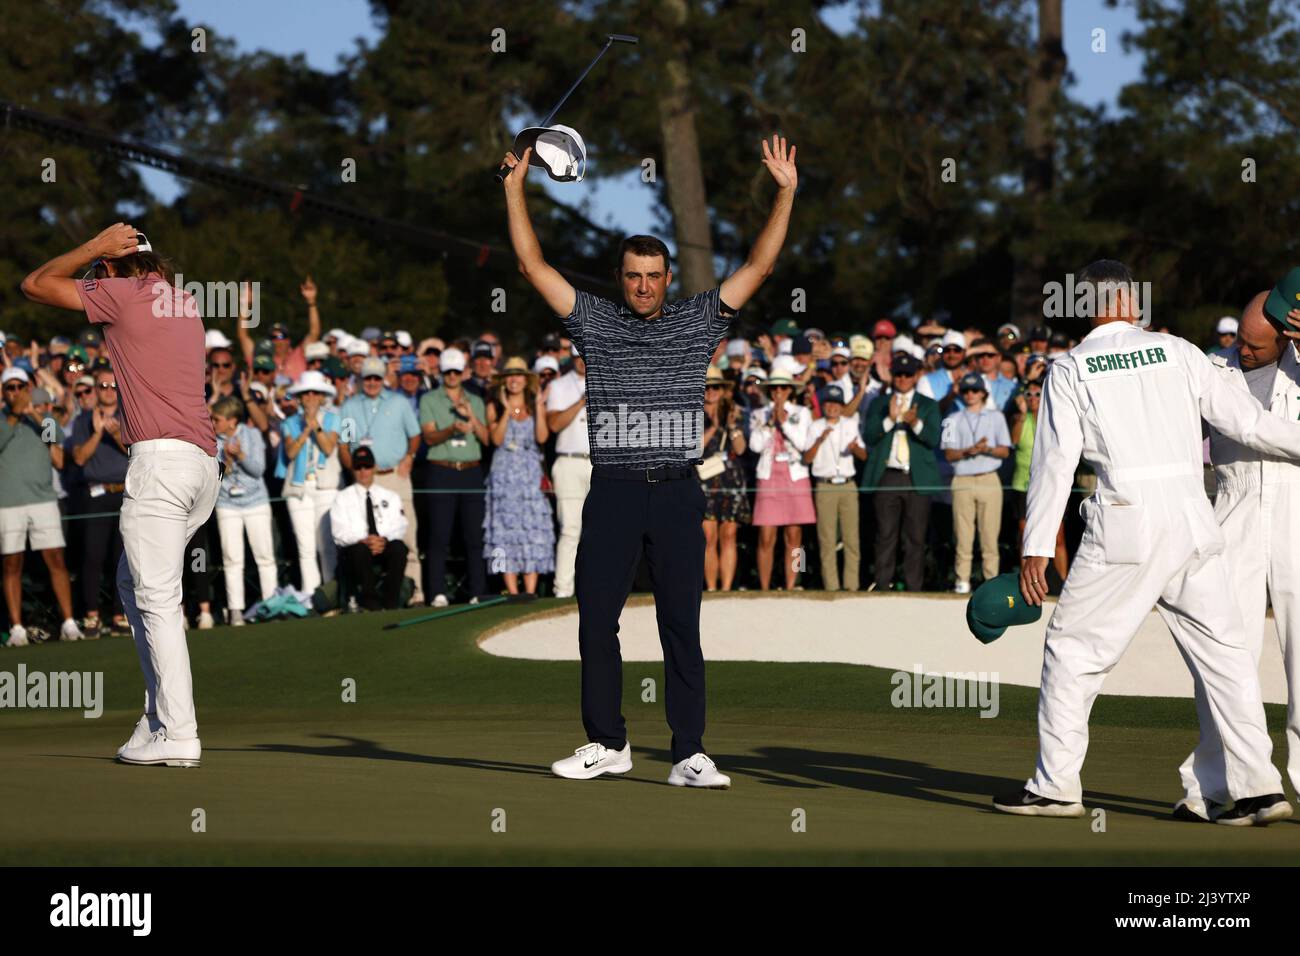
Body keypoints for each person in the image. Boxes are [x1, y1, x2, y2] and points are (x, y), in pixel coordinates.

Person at [500, 133, 797, 787]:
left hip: (675, 491)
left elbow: (759, 267)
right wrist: (515, 187)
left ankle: (689, 752)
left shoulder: (698, 320)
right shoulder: (593, 323)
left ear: (668, 279)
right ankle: (608, 743)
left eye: (652, 276)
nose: (641, 286)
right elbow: (530, 265)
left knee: (680, 627)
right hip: (612, 491)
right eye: (632, 276)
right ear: (619, 279)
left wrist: (786, 193)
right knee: (596, 622)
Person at [996, 260, 1300, 825]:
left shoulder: (1070, 369)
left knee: (1074, 653)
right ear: (1132, 301)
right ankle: (1260, 789)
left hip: (1125, 522)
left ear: (1086, 305)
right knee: (1228, 656)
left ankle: (1056, 786)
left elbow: (1054, 464)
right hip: (1193, 520)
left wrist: (1036, 545)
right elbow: (1251, 426)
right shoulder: (1182, 351)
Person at [22, 223, 219, 767]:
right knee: (133, 583)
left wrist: (93, 249)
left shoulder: (122, 294)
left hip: (161, 464)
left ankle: (178, 732)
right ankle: (157, 716)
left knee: (156, 600)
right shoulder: (184, 300)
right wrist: (109, 260)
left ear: (112, 267)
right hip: (203, 466)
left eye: (99, 271)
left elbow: (35, 284)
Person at [1172, 293, 1300, 821]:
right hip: (1233, 509)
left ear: (1286, 339)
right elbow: (1177, 437)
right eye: (1239, 340)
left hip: (1297, 511)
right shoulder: (1212, 370)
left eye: (1255, 345)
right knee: (1226, 658)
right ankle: (1214, 787)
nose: (1242, 351)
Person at [0, 367, 82, 645]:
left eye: (18, 387)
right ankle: (17, 628)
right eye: (9, 388)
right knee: (12, 564)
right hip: (8, 503)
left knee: (56, 560)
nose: (14, 392)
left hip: (44, 500)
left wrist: (33, 413)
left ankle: (69, 623)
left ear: (26, 389)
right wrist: (13, 416)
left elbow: (57, 442)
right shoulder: (2, 419)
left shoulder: (43, 420)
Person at [339, 356, 422, 604]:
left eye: (377, 377)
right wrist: (353, 470)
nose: (373, 382)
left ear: (383, 378)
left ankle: (414, 591)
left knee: (407, 537)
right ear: (362, 379)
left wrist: (410, 456)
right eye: (368, 378)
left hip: (394, 476)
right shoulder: (351, 406)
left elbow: (415, 435)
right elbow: (345, 446)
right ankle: (365, 595)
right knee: (362, 540)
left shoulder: (398, 402)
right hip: (364, 478)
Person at [860, 353, 940, 592]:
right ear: (893, 376)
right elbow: (870, 436)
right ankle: (883, 584)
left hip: (917, 477)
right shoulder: (880, 403)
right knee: (885, 534)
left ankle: (913, 587)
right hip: (888, 474)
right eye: (898, 374)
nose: (903, 379)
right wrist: (890, 419)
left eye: (908, 374)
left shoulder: (927, 404)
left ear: (916, 376)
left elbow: (933, 439)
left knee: (915, 537)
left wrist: (915, 423)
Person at [419, 347, 489, 606]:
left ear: (464, 373)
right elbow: (429, 436)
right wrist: (451, 429)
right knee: (439, 535)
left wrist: (471, 415)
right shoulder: (429, 400)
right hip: (441, 470)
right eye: (447, 371)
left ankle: (477, 591)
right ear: (441, 372)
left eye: (456, 372)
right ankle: (437, 592)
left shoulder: (476, 400)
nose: (451, 376)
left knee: (474, 536)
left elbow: (486, 438)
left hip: (471, 471)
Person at [68, 365, 130, 638]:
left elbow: (133, 451)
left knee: (123, 557)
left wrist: (115, 434)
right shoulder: (83, 420)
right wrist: (97, 432)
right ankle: (92, 616)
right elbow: (80, 458)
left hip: (125, 492)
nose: (108, 392)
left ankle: (120, 614)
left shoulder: (129, 415)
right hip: (96, 494)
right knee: (92, 556)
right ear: (95, 389)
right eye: (103, 386)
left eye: (113, 386)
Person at [483, 357, 554, 595]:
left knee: (533, 527)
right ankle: (512, 590)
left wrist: (541, 407)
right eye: (509, 375)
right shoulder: (494, 405)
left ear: (526, 380)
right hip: (504, 473)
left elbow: (542, 438)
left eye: (518, 375)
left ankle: (531, 590)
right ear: (504, 380)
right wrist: (505, 411)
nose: (514, 380)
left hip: (530, 473)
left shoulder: (534, 405)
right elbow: (496, 440)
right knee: (504, 528)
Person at [941, 372, 1011, 594]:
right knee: (963, 535)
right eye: (966, 391)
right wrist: (970, 451)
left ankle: (991, 580)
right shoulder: (953, 419)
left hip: (989, 478)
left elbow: (1004, 450)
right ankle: (962, 579)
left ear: (983, 393)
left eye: (975, 390)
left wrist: (986, 449)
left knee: (990, 535)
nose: (970, 394)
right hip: (962, 479)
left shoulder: (996, 417)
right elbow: (949, 454)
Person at [211, 396, 276, 626]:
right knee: (232, 558)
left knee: (265, 556)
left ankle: (271, 605)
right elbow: (215, 477)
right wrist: (226, 461)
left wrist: (241, 455)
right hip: (227, 503)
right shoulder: (211, 439)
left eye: (217, 419)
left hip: (256, 502)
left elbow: (258, 470)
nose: (213, 422)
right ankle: (235, 611)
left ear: (232, 421)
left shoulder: (252, 435)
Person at [749, 372, 815, 590]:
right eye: (774, 388)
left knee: (795, 536)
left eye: (782, 388)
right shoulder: (759, 414)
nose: (778, 392)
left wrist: (784, 423)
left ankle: (794, 584)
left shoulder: (802, 413)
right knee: (766, 536)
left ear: (789, 390)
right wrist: (770, 423)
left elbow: (804, 444)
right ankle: (764, 587)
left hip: (795, 477)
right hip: (769, 478)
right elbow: (755, 446)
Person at [281, 371, 342, 596]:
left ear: (322, 396)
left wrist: (315, 424)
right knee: (305, 546)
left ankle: (330, 593)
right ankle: (310, 594)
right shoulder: (289, 422)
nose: (310, 397)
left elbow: (328, 448)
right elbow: (291, 452)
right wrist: (305, 429)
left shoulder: (334, 418)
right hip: (299, 488)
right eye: (306, 393)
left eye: (315, 393)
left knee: (327, 545)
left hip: (325, 487)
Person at [330, 445, 409, 610]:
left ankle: (391, 602)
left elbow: (400, 524)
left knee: (399, 548)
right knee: (359, 550)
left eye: (367, 466)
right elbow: (339, 532)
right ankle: (370, 602)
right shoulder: (342, 498)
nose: (363, 471)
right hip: (358, 549)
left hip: (383, 544)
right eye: (358, 467)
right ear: (353, 470)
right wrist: (365, 540)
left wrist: (382, 539)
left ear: (374, 468)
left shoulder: (390, 496)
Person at [805, 384, 866, 591]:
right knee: (827, 539)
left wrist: (855, 448)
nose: (832, 407)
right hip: (825, 486)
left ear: (841, 406)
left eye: (836, 403)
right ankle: (831, 587)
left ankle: (852, 586)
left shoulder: (850, 424)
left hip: (848, 485)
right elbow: (807, 458)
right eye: (829, 403)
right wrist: (820, 440)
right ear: (823, 406)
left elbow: (864, 456)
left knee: (852, 539)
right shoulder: (815, 426)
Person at [1007, 380, 1067, 585]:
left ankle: (1062, 581)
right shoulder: (1019, 419)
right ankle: (1028, 582)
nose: (1033, 399)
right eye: (1029, 395)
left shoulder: (1053, 418)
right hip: (1022, 484)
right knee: (1026, 535)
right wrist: (1022, 415)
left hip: (1050, 482)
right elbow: (1013, 442)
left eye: (1037, 394)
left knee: (1058, 536)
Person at [545, 346, 590, 599]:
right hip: (568, 462)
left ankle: (599, 589)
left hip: (599, 463)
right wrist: (582, 401)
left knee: (602, 530)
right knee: (570, 529)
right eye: (577, 356)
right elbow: (554, 424)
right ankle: (562, 590)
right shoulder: (560, 386)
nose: (582, 360)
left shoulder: (607, 377)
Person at [699, 366, 749, 592]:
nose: (711, 392)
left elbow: (740, 448)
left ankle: (726, 588)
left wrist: (730, 425)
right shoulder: (693, 414)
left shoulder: (732, 411)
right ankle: (711, 587)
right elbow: (694, 449)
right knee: (708, 536)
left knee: (729, 534)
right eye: (707, 387)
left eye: (715, 387)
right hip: (704, 479)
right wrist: (714, 428)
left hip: (730, 478)